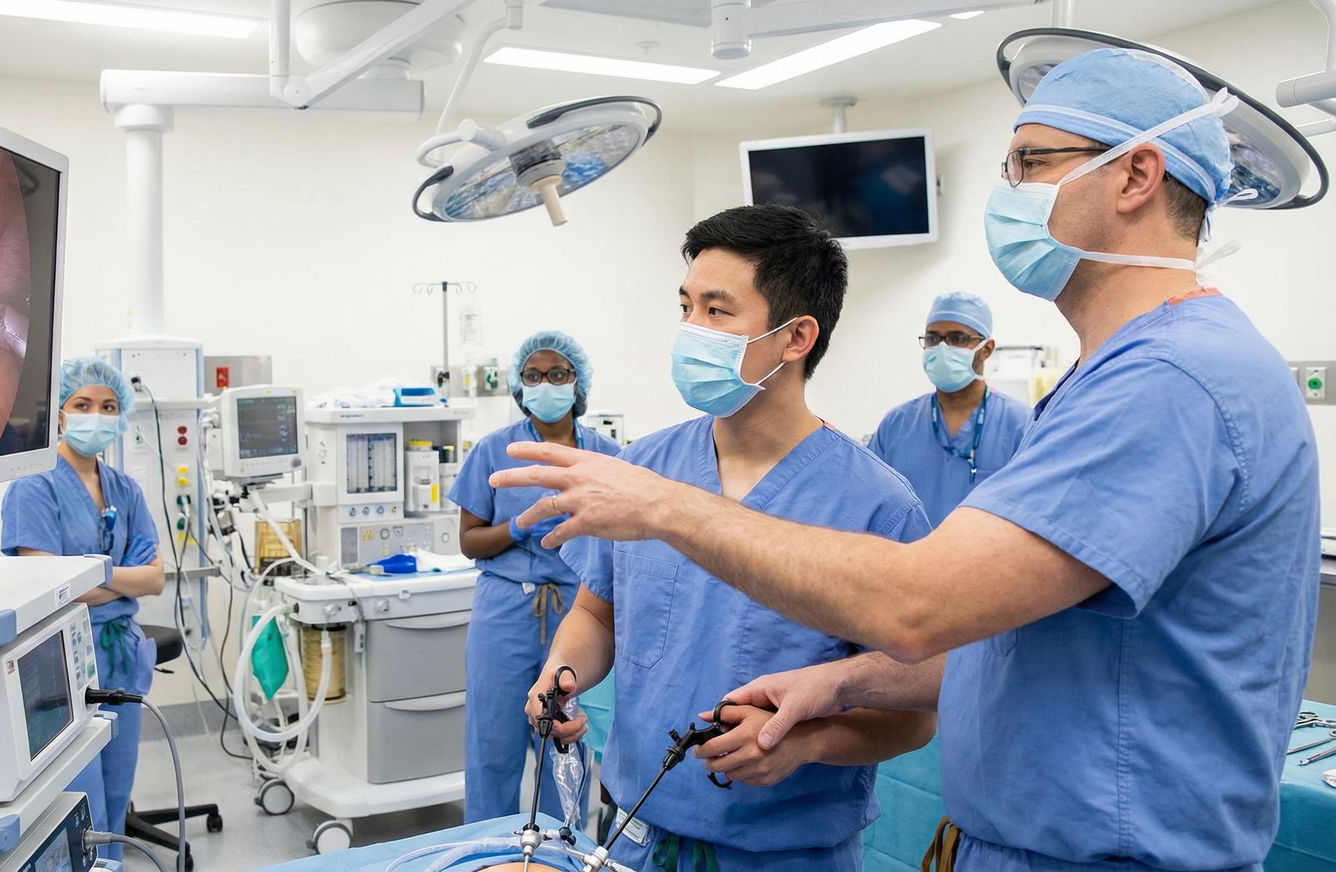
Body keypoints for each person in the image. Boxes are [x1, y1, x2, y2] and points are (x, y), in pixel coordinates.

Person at [492, 48, 1319, 872]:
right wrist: (838, 685)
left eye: (1030, 163)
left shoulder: (1169, 380)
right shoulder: (1117, 376)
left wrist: (665, 508)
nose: (1008, 192)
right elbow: (1006, 637)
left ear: (1136, 177)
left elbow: (918, 612)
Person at [527, 206, 936, 872]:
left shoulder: (877, 505)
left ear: (796, 336)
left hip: (784, 850)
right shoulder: (644, 469)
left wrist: (809, 742)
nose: (691, 329)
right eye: (685, 306)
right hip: (636, 828)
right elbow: (596, 612)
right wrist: (561, 677)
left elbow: (916, 711)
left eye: (717, 312)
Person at [449, 331, 621, 823]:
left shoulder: (605, 455)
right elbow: (470, 541)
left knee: (566, 742)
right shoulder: (493, 449)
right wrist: (518, 526)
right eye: (533, 375)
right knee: (492, 742)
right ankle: (487, 850)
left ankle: (559, 848)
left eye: (558, 375)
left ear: (577, 383)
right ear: (518, 386)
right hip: (505, 608)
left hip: (581, 608)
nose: (546, 384)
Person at [1, 356, 164, 855]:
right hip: (63, 660)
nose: (97, 414)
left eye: (109, 405)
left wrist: (90, 576)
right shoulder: (33, 485)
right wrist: (119, 579)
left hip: (121, 655)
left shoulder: (124, 488)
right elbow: (50, 587)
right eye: (83, 404)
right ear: (59, 412)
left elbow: (155, 578)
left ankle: (112, 865)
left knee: (117, 792)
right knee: (78, 798)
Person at [868, 291, 1029, 522]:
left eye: (958, 338)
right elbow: (872, 499)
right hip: (909, 555)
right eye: (933, 339)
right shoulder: (898, 423)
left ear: (986, 349)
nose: (943, 348)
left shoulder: (1019, 424)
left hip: (988, 556)